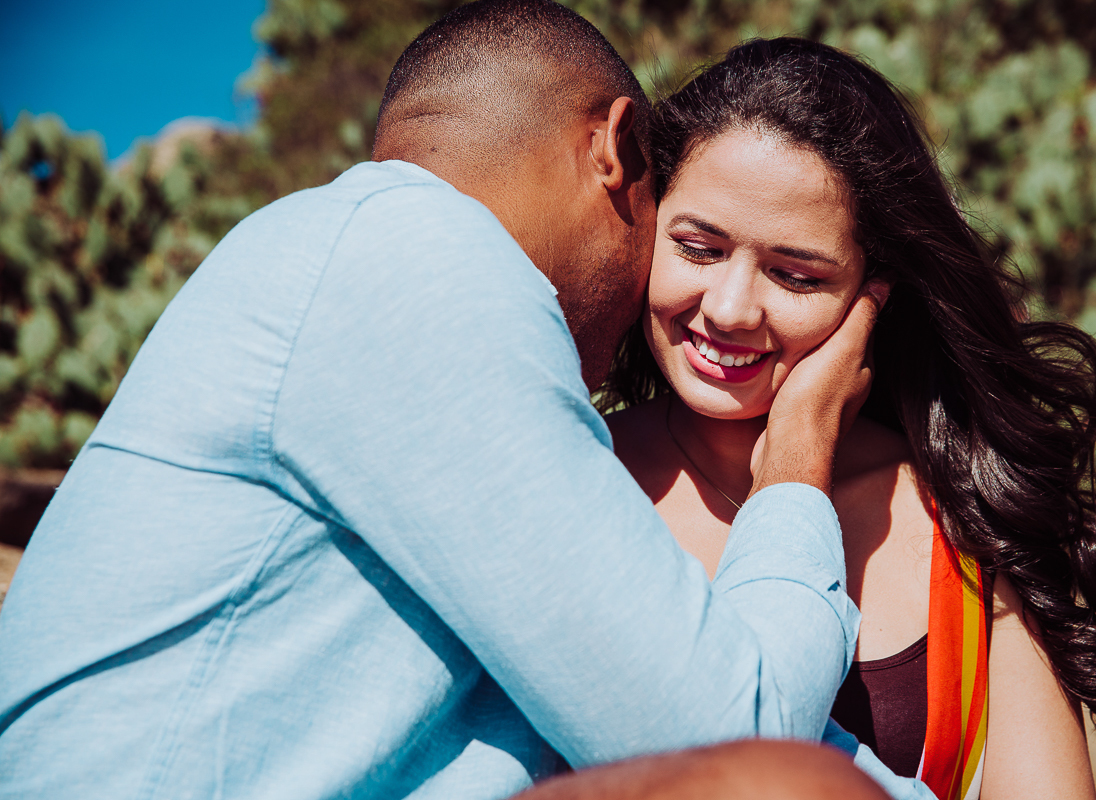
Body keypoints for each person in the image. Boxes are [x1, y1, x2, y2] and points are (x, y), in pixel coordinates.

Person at [0, 5, 930, 800]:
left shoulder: (357, 266)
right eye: (677, 232)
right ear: (616, 151)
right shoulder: (418, 263)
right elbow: (732, 735)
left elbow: (627, 709)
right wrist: (797, 464)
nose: (682, 288)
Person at [603, 37, 1096, 800]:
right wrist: (795, 457)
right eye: (698, 248)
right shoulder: (578, 475)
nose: (730, 308)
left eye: (795, 274)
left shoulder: (962, 520)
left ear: (875, 292)